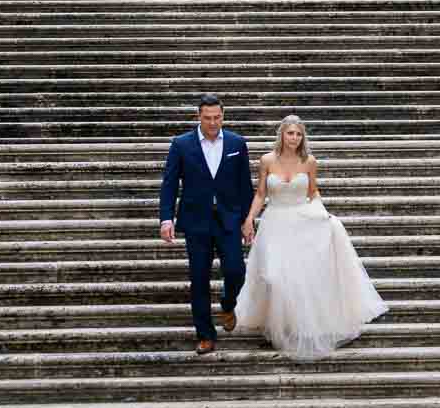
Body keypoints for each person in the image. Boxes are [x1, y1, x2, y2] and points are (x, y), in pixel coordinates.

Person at [235, 113, 387, 361]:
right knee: (272, 276)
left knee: (298, 278)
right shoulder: (266, 160)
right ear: (281, 135)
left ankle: (294, 328)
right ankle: (277, 325)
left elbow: (313, 192)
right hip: (275, 223)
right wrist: (249, 218)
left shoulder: (309, 162)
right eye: (290, 133)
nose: (294, 138)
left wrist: (323, 217)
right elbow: (261, 194)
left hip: (302, 221)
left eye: (298, 134)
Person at [159, 94, 254, 355]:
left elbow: (244, 185)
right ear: (198, 117)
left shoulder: (237, 143)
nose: (213, 122)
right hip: (196, 221)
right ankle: (205, 335)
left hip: (229, 220)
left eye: (217, 117)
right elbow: (169, 183)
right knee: (199, 279)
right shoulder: (181, 144)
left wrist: (248, 221)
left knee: (236, 271)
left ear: (223, 116)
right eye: (207, 118)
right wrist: (166, 218)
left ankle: (227, 303)